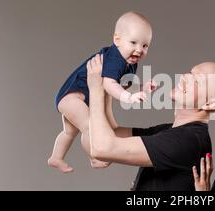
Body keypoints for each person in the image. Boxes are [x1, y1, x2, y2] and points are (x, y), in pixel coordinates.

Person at [86, 54, 215, 190]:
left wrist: (96, 89)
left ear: (210, 104)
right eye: (191, 72)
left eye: (197, 80)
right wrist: (107, 87)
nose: (185, 76)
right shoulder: (172, 131)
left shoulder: (188, 140)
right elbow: (109, 134)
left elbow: (101, 148)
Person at [49, 12, 156, 173]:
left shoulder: (130, 62)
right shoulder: (116, 58)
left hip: (79, 97)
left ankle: (56, 157)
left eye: (145, 45)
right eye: (133, 42)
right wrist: (128, 97)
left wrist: (140, 88)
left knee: (69, 131)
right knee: (91, 127)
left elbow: (121, 86)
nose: (139, 50)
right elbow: (108, 84)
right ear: (117, 40)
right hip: (71, 96)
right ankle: (95, 157)